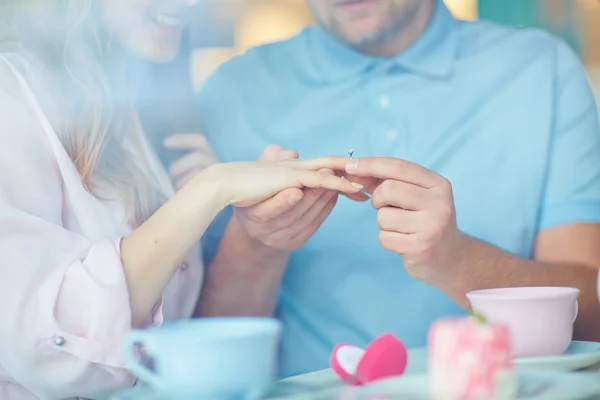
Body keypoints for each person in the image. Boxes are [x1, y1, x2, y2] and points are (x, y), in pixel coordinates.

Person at [193, 0, 600, 378]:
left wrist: (455, 260)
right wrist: (258, 243)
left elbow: (590, 316)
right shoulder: (230, 93)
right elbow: (200, 349)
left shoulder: (540, 71)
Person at [0, 1, 363, 398]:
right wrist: (209, 190)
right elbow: (43, 351)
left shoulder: (133, 109)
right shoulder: (10, 96)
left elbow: (183, 340)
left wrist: (255, 233)